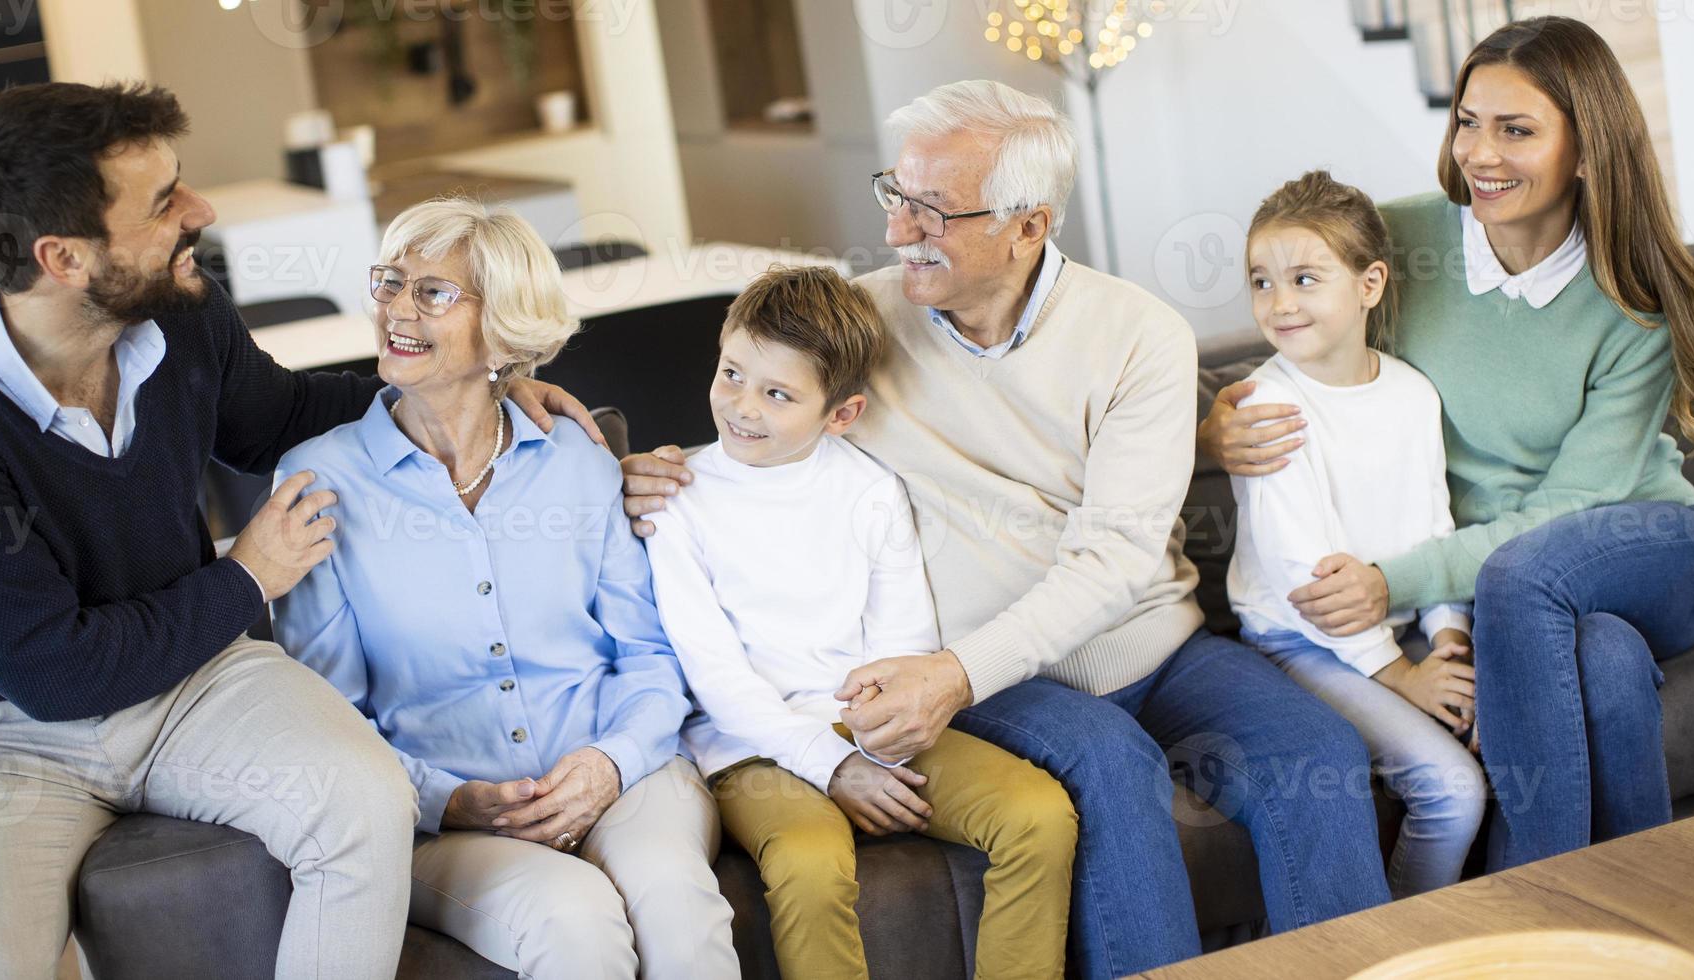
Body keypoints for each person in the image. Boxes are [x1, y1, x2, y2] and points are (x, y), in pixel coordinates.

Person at [619, 80, 1390, 977]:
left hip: (1143, 644)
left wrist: (953, 676)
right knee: (1113, 769)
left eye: (934, 212)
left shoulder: (1139, 334)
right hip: (994, 670)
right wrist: (640, 468)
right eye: (895, 197)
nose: (901, 230)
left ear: (1029, 225)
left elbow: (1115, 558)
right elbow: (757, 411)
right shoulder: (865, 321)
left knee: (1320, 751)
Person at [0, 82, 419, 978]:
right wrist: (247, 575)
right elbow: (54, 671)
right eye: (163, 203)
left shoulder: (181, 319)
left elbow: (285, 414)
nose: (201, 211)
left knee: (369, 803)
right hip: (3, 728)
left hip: (202, 679)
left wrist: (459, 399)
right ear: (64, 257)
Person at [1196, 18, 1694, 869]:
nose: (1480, 153)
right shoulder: (1405, 242)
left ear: (1588, 150)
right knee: (1605, 660)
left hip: (1647, 543)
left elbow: (1569, 511)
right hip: (1508, 585)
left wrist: (1397, 585)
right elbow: (1302, 338)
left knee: (1526, 575)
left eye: (1516, 130)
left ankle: (1529, 899)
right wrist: (1215, 431)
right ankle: (1646, 903)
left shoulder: (1632, 299)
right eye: (1466, 121)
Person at [270, 198, 740, 980]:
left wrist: (611, 762)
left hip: (623, 770)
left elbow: (648, 654)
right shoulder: (319, 482)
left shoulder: (577, 461)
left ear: (503, 325)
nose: (396, 308)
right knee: (575, 924)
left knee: (676, 902)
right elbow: (330, 717)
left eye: (432, 291)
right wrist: (447, 801)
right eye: (389, 282)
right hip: (444, 825)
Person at [644, 265, 1077, 980]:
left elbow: (902, 643)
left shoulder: (870, 491)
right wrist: (833, 765)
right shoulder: (677, 502)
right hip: (753, 746)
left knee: (1037, 815)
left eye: (778, 394)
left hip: (871, 724)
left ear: (839, 413)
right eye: (731, 375)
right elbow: (716, 677)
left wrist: (880, 746)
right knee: (811, 861)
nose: (742, 406)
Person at [1227, 170, 1487, 897]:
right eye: (1262, 282)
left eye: (1305, 279)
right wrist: (1402, 677)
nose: (1280, 304)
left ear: (1369, 284)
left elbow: (1434, 535)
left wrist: (1445, 642)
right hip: (1302, 644)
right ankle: (1401, 950)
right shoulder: (1269, 406)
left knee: (1506, 734)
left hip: (1398, 632)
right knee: (1452, 792)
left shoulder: (1412, 393)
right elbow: (1309, 581)